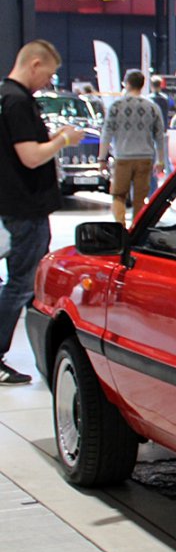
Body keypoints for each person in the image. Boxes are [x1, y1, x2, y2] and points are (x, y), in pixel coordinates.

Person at [0, 40, 84, 385]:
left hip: (17, 204)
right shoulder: (17, 102)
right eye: (48, 73)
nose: (48, 80)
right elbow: (31, 156)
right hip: (25, 205)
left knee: (21, 283)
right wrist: (63, 140)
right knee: (21, 284)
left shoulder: (8, 97)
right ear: (34, 64)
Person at [100, 69, 166, 226]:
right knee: (140, 198)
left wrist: (102, 158)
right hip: (145, 158)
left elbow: (106, 133)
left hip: (123, 157)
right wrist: (161, 160)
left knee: (118, 195)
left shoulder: (116, 106)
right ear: (143, 85)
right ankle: (136, 230)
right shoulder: (152, 107)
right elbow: (160, 136)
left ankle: (121, 228)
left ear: (127, 84)